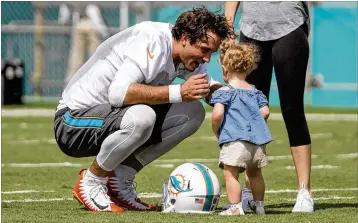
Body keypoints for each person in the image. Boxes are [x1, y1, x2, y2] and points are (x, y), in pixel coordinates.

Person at [53, 7, 234, 213]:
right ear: (184, 37)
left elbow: (209, 88)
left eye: (211, 52)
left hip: (113, 118)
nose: (207, 59)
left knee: (193, 112)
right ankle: (92, 181)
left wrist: (239, 97)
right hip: (71, 121)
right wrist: (178, 92)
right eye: (204, 49)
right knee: (142, 116)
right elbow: (118, 93)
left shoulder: (188, 57)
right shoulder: (152, 39)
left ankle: (119, 181)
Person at [224, 1, 314, 212]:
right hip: (251, 30)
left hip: (290, 26)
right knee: (249, 111)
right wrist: (229, 28)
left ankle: (304, 191)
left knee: (292, 109)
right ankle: (249, 192)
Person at [210, 40, 272, 216]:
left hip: (235, 139)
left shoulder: (224, 92)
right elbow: (265, 113)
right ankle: (259, 206)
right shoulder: (256, 92)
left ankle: (235, 207)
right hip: (257, 142)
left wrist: (216, 130)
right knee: (256, 174)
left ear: (225, 69)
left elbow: (217, 114)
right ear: (249, 68)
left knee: (231, 174)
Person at [58, 3, 110, 84]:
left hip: (93, 25)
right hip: (80, 22)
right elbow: (66, 6)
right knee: (76, 61)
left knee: (94, 60)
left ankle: (94, 87)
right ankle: (70, 89)